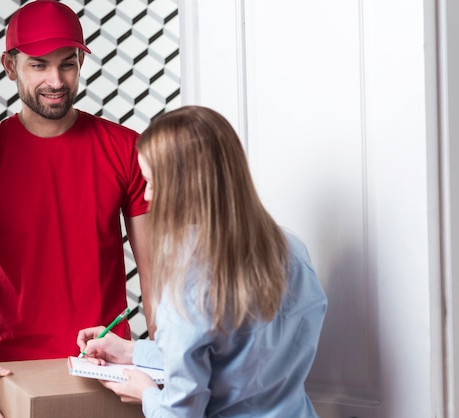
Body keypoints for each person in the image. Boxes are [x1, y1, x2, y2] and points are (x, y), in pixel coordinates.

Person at [0, 1, 151, 417]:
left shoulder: (127, 149)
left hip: (106, 366)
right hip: (15, 374)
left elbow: (156, 277)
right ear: (9, 65)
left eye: (67, 64)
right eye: (38, 65)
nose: (55, 80)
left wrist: (168, 368)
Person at [77, 105, 327, 417]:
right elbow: (236, 358)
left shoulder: (187, 276)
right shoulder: (293, 250)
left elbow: (182, 412)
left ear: (185, 185)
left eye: (152, 182)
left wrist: (147, 395)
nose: (149, 196)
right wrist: (131, 351)